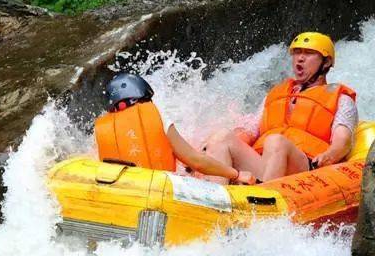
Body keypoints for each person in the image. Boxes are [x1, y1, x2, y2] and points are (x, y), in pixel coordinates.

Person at [202, 31, 358, 184]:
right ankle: (215, 197)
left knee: (276, 142)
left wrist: (329, 156)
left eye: (309, 53)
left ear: (326, 62)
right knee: (221, 136)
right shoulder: (276, 94)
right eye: (297, 53)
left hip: (306, 169)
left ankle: (264, 200)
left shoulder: (341, 99)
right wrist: (210, 148)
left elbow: (342, 141)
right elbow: (250, 130)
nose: (300, 58)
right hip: (265, 164)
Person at [94, 73, 257, 184]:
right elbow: (197, 161)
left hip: (126, 195)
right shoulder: (156, 116)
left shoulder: (104, 129)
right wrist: (236, 174)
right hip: (160, 193)